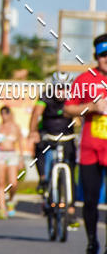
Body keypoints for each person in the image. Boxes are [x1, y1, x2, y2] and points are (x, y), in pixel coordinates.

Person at [64, 35, 107, 254]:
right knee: (90, 200)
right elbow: (68, 109)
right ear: (96, 56)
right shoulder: (85, 79)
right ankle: (92, 244)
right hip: (91, 148)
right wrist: (91, 107)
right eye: (103, 55)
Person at [29, 73, 78, 227]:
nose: (62, 92)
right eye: (59, 88)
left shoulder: (73, 99)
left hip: (67, 137)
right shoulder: (45, 97)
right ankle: (43, 178)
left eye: (65, 88)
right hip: (48, 134)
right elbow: (36, 114)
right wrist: (34, 132)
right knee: (40, 149)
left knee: (71, 168)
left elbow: (79, 117)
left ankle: (70, 210)